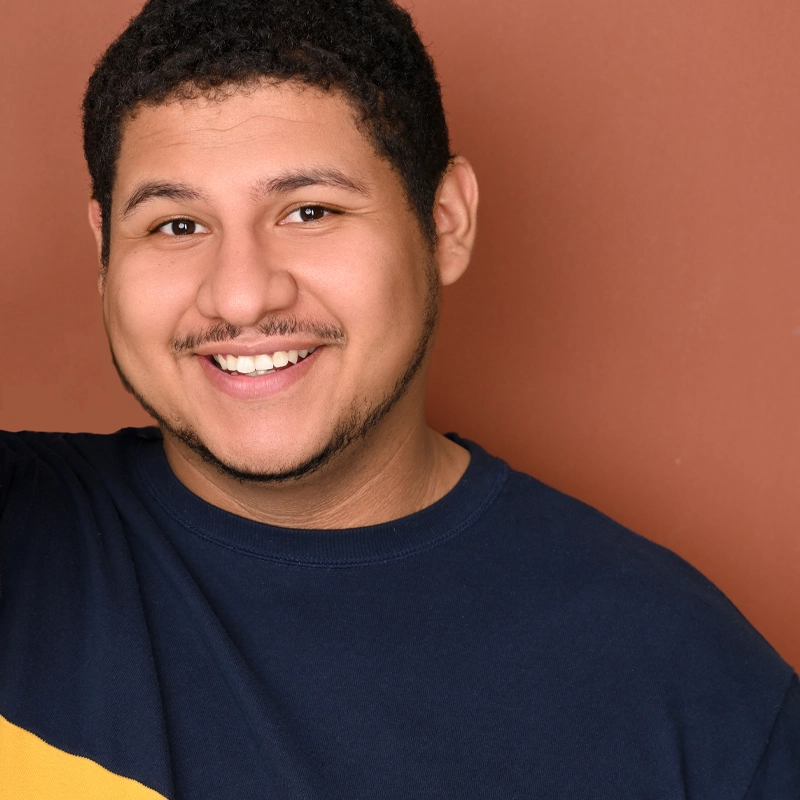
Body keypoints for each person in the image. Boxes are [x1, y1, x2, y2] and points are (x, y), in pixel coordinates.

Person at [0, 0, 797, 796]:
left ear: (445, 221)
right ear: (104, 251)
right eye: (176, 226)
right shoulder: (22, 534)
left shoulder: (693, 689)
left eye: (310, 211)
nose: (239, 297)